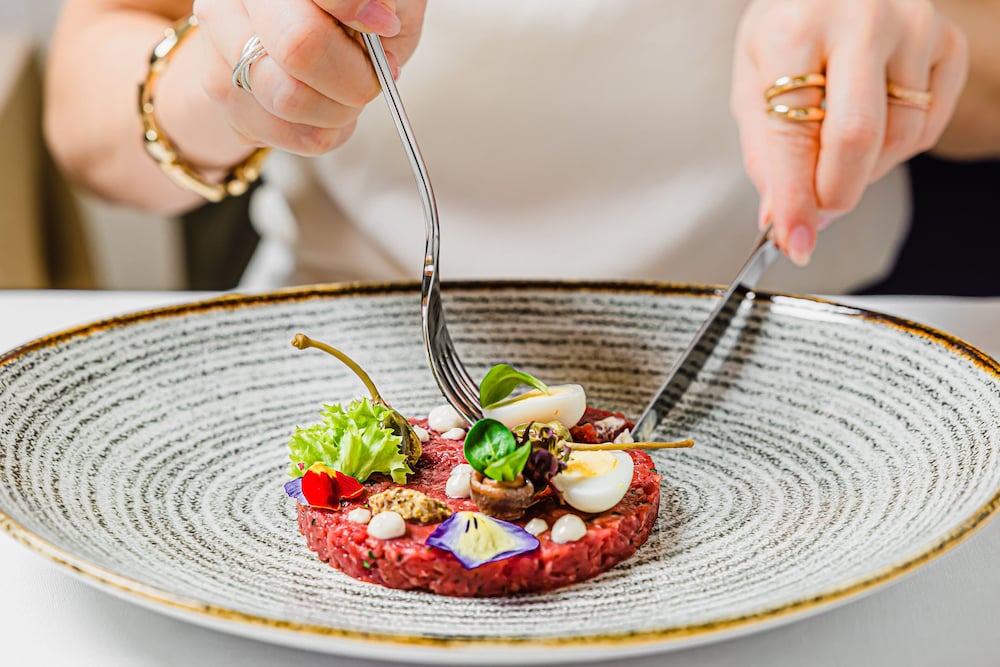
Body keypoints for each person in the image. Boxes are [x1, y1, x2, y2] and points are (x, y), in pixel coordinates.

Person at [44, 1, 992, 294]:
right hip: (345, 336)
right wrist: (229, 83)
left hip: (799, 347)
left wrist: (912, 44)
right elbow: (83, 116)